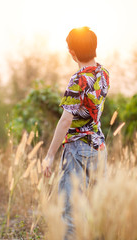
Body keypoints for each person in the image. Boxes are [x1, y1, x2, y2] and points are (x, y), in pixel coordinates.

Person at [42, 26, 109, 239]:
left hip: (77, 149)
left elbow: (65, 121)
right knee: (97, 208)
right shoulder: (104, 74)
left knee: (69, 212)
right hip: (99, 148)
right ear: (95, 48)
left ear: (72, 53)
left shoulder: (78, 80)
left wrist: (50, 155)